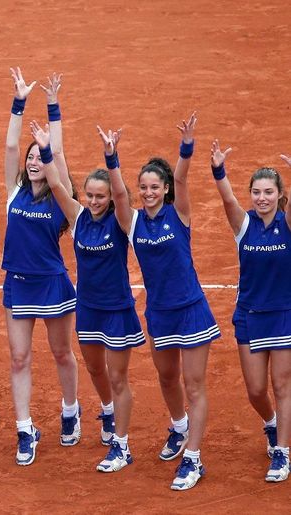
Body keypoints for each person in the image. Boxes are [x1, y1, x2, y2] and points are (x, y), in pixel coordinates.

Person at [110, 112, 220, 490]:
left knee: (193, 386)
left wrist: (186, 147)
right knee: (166, 377)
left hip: (190, 311)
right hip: (158, 313)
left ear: (166, 189)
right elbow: (119, 194)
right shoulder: (134, 221)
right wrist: (112, 158)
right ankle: (179, 427)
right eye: (144, 186)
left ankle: (193, 458)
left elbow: (184, 176)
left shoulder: (181, 214)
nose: (148, 192)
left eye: (155, 186)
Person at [30, 119, 146, 472]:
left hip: (117, 311)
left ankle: (122, 446)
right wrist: (46, 149)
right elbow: (54, 182)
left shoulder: (122, 220)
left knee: (117, 377)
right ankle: (108, 411)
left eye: (101, 196)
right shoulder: (78, 217)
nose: (95, 201)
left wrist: (112, 159)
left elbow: (124, 193)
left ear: (110, 198)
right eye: (90, 195)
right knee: (96, 370)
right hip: (88, 310)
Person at [2, 69, 80, 466]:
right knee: (18, 358)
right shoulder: (14, 191)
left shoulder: (59, 200)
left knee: (62, 353)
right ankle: (24, 428)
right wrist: (19, 102)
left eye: (39, 157)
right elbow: (11, 144)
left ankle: (70, 409)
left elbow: (59, 159)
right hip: (17, 283)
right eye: (31, 157)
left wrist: (53, 109)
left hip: (51, 284)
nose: (33, 161)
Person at [209, 140, 291, 482]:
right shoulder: (244, 226)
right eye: (256, 192)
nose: (261, 198)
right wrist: (218, 170)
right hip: (249, 315)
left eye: (268, 192)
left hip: (284, 313)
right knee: (256, 390)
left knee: (282, 385)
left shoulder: (287, 224)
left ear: (279, 195)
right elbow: (228, 199)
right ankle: (270, 423)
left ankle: (283, 453)